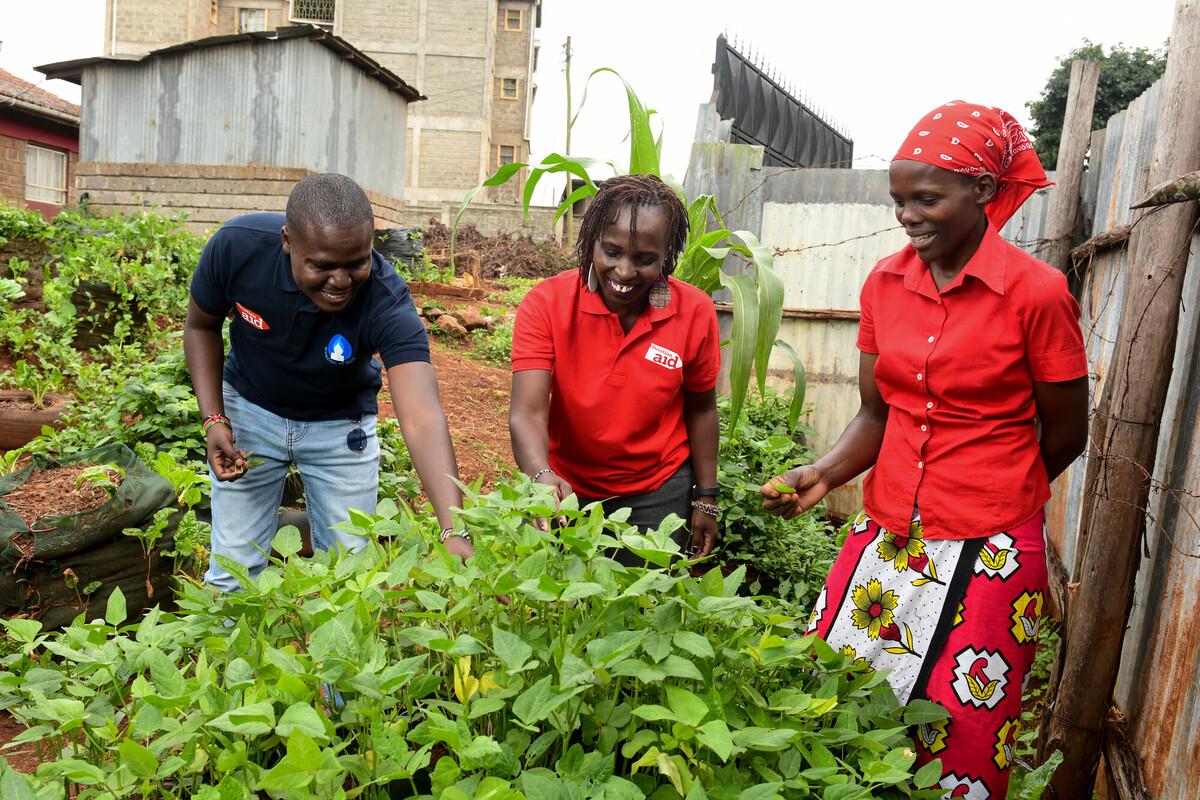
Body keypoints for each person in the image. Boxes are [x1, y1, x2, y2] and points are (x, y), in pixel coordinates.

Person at [760, 102, 1088, 797]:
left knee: (964, 737)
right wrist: (823, 471)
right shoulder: (884, 282)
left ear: (984, 192)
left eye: (927, 198)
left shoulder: (1037, 293)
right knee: (839, 702)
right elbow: (877, 412)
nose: (908, 215)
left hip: (993, 548)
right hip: (887, 532)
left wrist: (996, 490)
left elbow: (1066, 432)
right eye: (900, 200)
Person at [185, 173, 472, 593]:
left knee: (350, 581)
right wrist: (214, 419)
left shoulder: (386, 301)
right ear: (288, 241)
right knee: (232, 572)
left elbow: (422, 416)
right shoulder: (237, 248)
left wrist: (454, 528)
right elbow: (200, 326)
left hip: (341, 430)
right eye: (321, 265)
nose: (341, 281)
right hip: (250, 413)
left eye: (357, 262)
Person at [509, 174, 721, 562]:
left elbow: (702, 408)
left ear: (667, 257)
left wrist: (706, 497)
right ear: (591, 242)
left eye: (644, 260)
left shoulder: (694, 313)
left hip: (656, 493)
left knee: (642, 611)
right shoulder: (548, 304)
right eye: (611, 251)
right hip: (561, 485)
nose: (624, 272)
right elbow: (527, 411)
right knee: (550, 604)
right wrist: (541, 478)